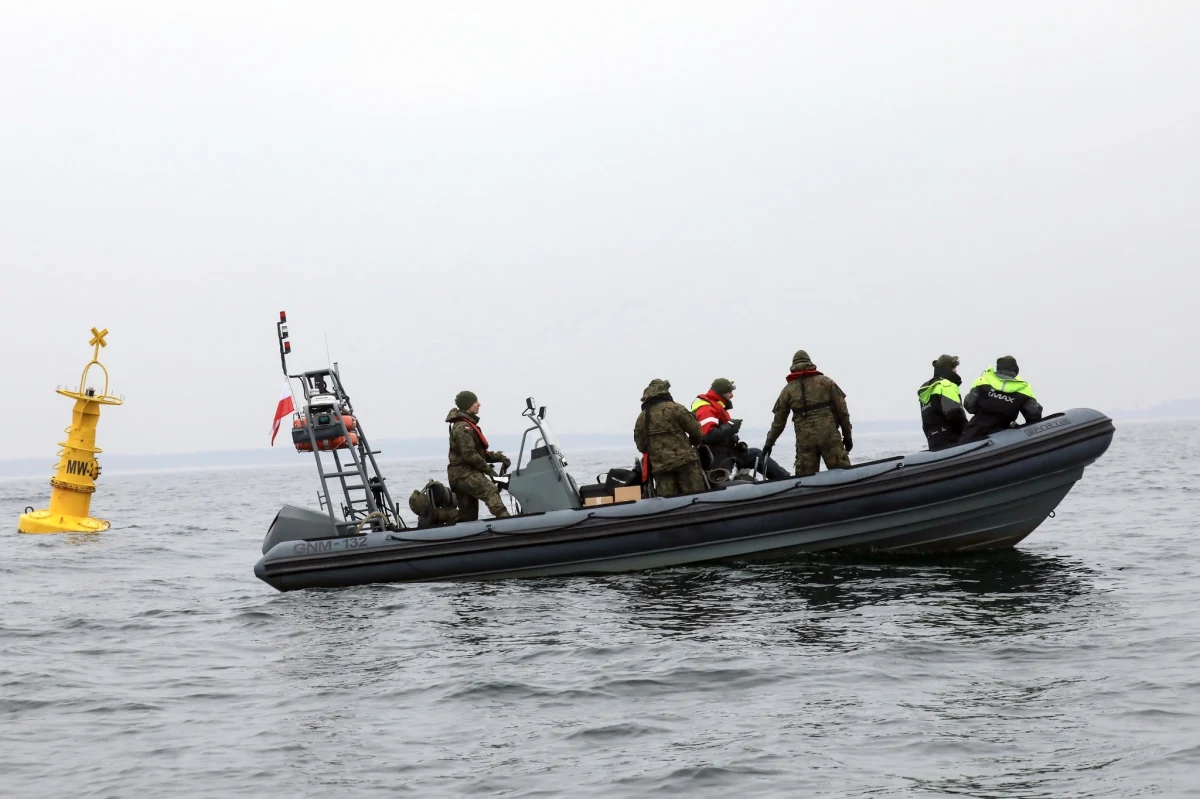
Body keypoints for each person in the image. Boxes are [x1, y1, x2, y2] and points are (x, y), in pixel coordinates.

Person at [763, 349, 852, 477]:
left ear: (793, 366)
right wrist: (847, 436)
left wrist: (769, 443)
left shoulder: (787, 390)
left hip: (805, 441)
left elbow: (778, 423)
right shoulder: (826, 382)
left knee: (805, 481)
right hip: (829, 437)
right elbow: (843, 412)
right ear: (810, 362)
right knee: (844, 476)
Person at [691, 378, 790, 480]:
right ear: (721, 392)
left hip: (726, 454)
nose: (732, 395)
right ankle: (786, 480)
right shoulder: (706, 409)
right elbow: (708, 435)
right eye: (729, 392)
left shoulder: (712, 407)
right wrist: (731, 426)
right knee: (756, 455)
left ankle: (784, 479)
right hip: (719, 457)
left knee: (755, 454)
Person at [634, 378, 706, 497]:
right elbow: (696, 431)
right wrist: (693, 442)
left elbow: (641, 446)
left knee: (668, 504)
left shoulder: (642, 418)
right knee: (697, 498)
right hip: (686, 464)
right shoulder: (676, 408)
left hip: (661, 469)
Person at [445, 391, 511, 521]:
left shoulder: (467, 425)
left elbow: (479, 453)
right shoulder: (463, 427)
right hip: (463, 473)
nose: (479, 404)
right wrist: (489, 471)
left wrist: (498, 457)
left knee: (468, 516)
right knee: (490, 490)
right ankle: (506, 521)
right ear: (468, 405)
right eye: (475, 402)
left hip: (461, 474)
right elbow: (469, 454)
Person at [959, 356, 1043, 443]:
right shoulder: (1024, 388)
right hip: (1004, 436)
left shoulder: (982, 381)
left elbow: (969, 405)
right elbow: (1034, 414)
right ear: (1015, 370)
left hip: (974, 431)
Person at [918, 354, 968, 451]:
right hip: (952, 440)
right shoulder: (946, 385)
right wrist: (969, 432)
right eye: (954, 367)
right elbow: (955, 414)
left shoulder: (926, 390)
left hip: (934, 441)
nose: (956, 371)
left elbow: (926, 423)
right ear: (948, 369)